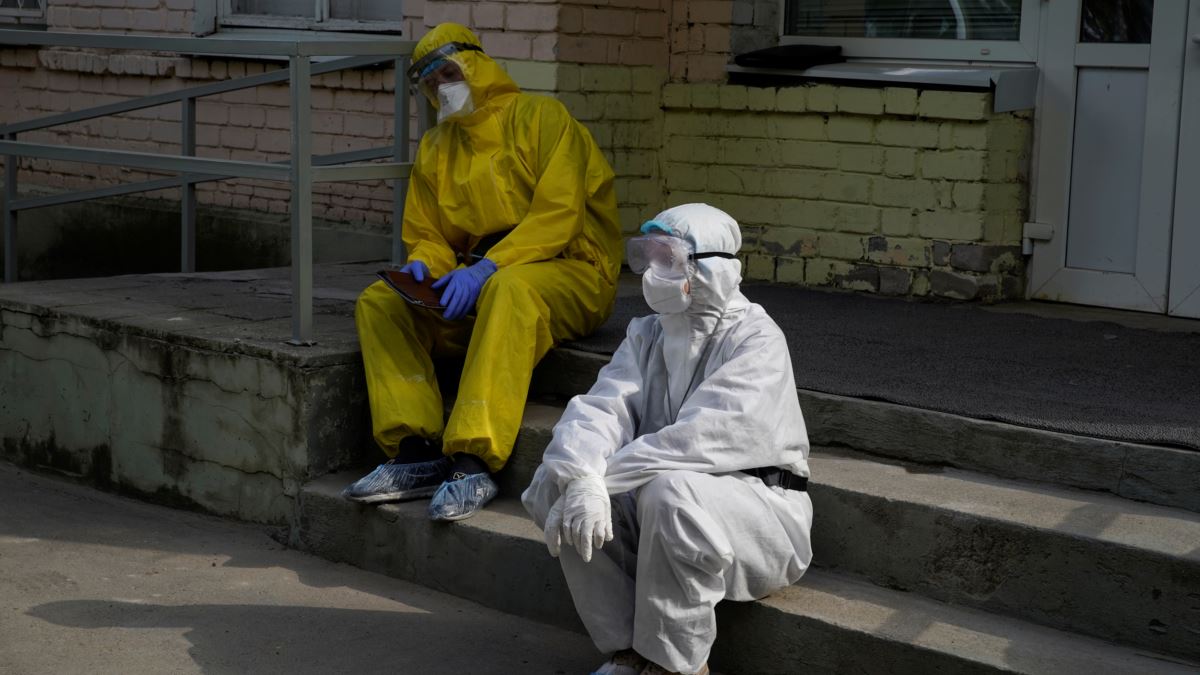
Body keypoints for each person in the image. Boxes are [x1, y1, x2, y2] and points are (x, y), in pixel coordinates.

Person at [344, 23, 622, 522]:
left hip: (572, 270)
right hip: (481, 278)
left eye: (448, 73)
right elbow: (430, 233)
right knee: (381, 302)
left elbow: (559, 215)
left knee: (509, 288)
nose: (441, 88)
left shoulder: (542, 118)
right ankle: (414, 451)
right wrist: (426, 266)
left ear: (477, 65)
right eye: (430, 83)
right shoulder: (437, 146)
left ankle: (473, 459)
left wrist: (490, 266)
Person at [522, 204, 814, 675]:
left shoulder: (756, 339)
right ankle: (628, 651)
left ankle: (676, 665)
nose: (653, 272)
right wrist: (579, 477)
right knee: (556, 480)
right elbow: (602, 408)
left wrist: (600, 480)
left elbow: (699, 440)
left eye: (668, 258)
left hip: (761, 514)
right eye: (648, 256)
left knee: (670, 490)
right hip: (661, 508)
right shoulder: (647, 334)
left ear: (710, 267)